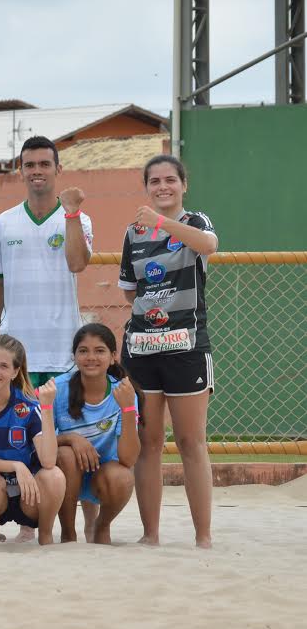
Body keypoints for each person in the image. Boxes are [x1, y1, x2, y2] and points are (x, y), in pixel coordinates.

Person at [0, 135, 91, 541]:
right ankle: (29, 524)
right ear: (20, 170)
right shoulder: (2, 223)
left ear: (58, 169)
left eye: (44, 164)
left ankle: (66, 527)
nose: (37, 171)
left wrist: (71, 213)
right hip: (19, 354)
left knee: (62, 450)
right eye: (29, 164)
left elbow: (78, 263)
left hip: (63, 352)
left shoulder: (77, 219)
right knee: (23, 444)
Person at [119, 154, 218, 549]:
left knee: (192, 442)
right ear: (146, 187)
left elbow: (208, 245)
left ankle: (203, 536)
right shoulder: (133, 233)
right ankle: (150, 534)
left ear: (183, 184)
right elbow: (129, 288)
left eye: (169, 180)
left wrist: (161, 222)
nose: (162, 187)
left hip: (187, 346)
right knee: (150, 441)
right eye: (154, 181)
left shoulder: (194, 222)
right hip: (143, 347)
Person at [0, 334, 65, 545]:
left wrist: (46, 407)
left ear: (15, 371)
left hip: (28, 496)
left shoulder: (28, 407)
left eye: (4, 366)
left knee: (54, 476)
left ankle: (46, 535)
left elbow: (49, 460)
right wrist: (16, 466)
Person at [52, 324, 141, 545]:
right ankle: (68, 533)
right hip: (67, 476)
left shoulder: (123, 392)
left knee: (122, 477)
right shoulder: (58, 388)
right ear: (74, 356)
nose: (91, 357)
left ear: (112, 357)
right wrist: (71, 439)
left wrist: (128, 408)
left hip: (103, 478)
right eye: (83, 351)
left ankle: (101, 526)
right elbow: (36, 442)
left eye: (99, 351)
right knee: (66, 454)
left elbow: (128, 459)